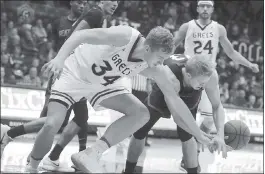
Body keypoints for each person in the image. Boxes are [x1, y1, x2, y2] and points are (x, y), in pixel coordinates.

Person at [29, 25, 214, 173]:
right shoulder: (125, 36)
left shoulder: (154, 69)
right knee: (52, 124)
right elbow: (81, 35)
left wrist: (199, 135)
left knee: (141, 114)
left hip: (101, 84)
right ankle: (33, 167)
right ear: (148, 48)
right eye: (160, 57)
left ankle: (92, 154)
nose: (162, 63)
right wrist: (60, 58)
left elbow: (176, 102)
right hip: (75, 72)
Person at [0, 0, 119, 171]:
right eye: (112, 0)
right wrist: (61, 61)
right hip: (70, 73)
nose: (115, 4)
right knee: (58, 121)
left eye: (118, 1)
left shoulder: (98, 16)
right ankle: (20, 141)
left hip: (78, 73)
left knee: (73, 119)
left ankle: (52, 154)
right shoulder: (96, 14)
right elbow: (74, 37)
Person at [172, 0, 259, 172]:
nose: (205, 8)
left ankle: (195, 146)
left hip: (209, 75)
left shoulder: (219, 29)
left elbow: (231, 52)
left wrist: (249, 64)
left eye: (208, 6)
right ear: (197, 8)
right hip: (189, 76)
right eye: (202, 5)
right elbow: (172, 45)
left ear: (212, 9)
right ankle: (189, 157)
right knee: (186, 116)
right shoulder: (186, 26)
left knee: (211, 117)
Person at [123, 54, 233, 174]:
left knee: (187, 136)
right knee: (140, 129)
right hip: (163, 91)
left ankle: (192, 171)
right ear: (189, 75)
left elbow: (217, 106)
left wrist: (220, 135)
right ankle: (128, 170)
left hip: (190, 92)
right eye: (201, 83)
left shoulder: (210, 75)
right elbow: (178, 118)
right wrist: (203, 138)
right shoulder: (170, 77)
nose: (203, 86)